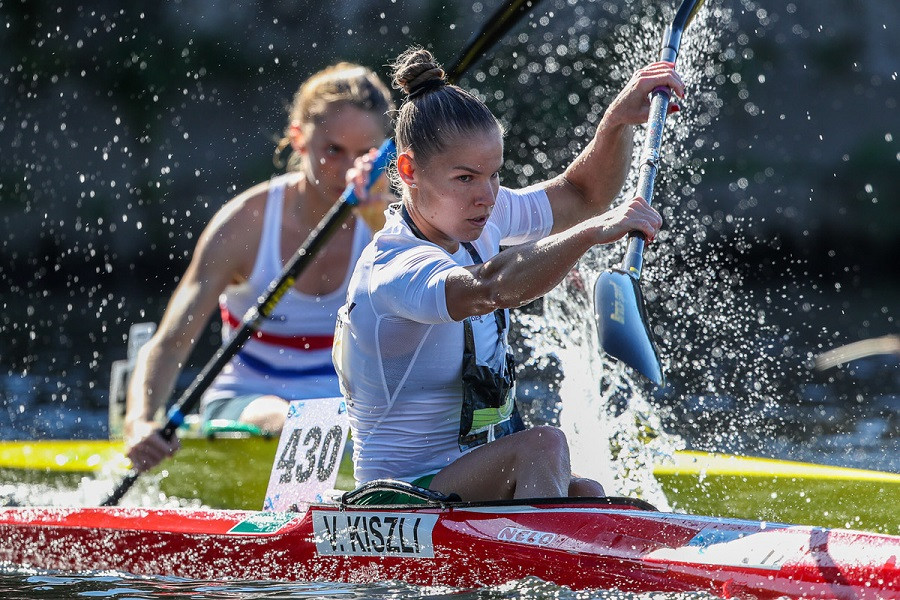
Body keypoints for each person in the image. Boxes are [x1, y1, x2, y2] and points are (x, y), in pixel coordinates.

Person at [335, 47, 681, 502]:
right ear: (408, 170)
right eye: (466, 178)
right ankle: (540, 576)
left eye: (494, 175)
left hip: (459, 490)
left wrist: (617, 122)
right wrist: (591, 234)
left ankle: (579, 567)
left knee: (589, 493)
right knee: (543, 445)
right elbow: (489, 288)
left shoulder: (480, 217)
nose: (487, 196)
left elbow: (582, 193)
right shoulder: (394, 267)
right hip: (398, 501)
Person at [124, 63, 395, 472]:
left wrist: (384, 232)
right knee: (293, 422)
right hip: (251, 402)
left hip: (352, 406)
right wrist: (140, 421)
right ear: (299, 140)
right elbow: (171, 342)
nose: (347, 171)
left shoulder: (395, 224)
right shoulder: (244, 226)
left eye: (366, 155)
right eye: (333, 151)